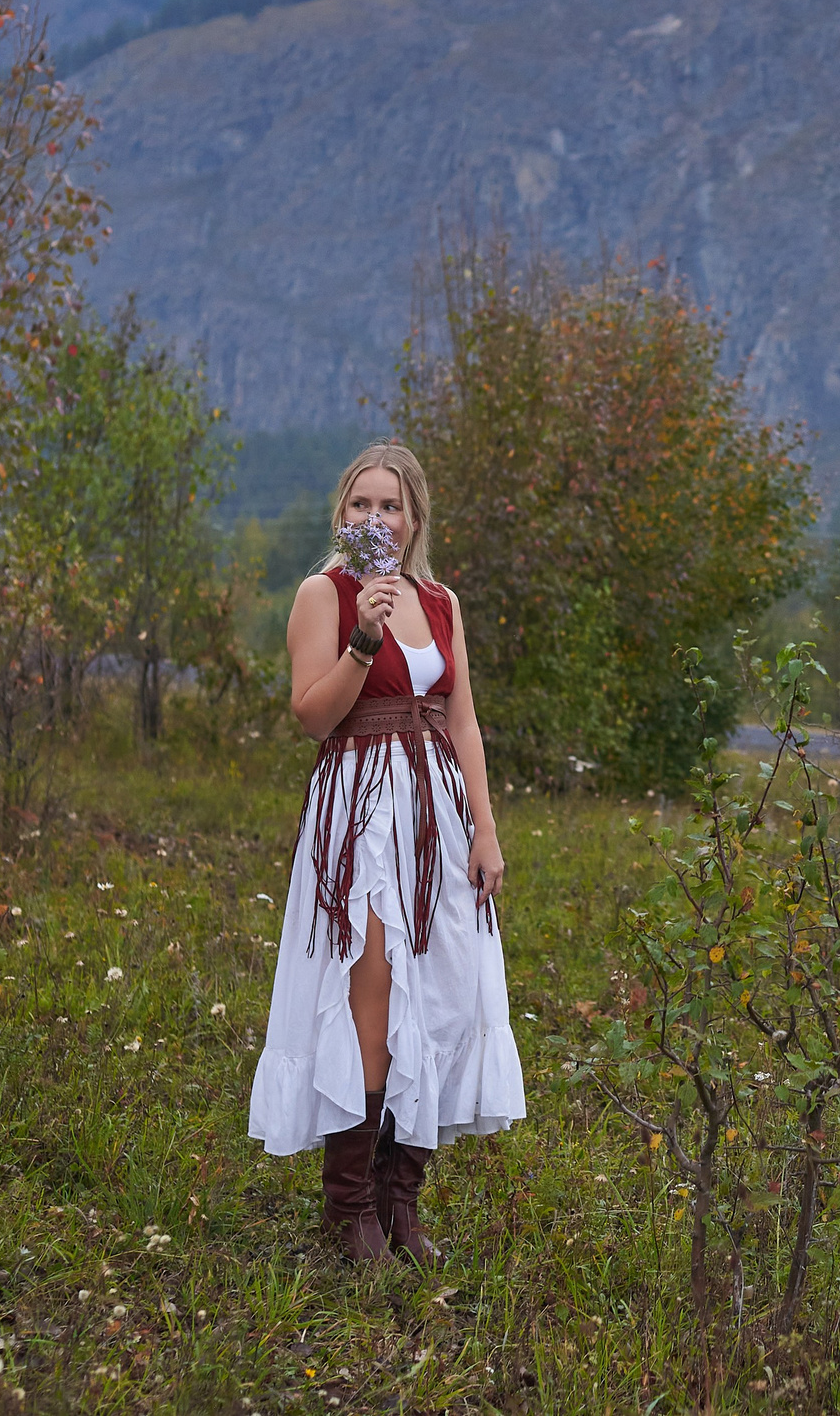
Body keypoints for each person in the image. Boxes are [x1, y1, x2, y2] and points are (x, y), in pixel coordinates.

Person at [247, 441, 525, 1263]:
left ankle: (403, 1203)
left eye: (391, 505)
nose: (376, 517)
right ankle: (349, 1210)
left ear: (413, 520)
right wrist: (363, 638)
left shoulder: (440, 600)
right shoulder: (323, 594)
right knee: (370, 1000)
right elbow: (312, 715)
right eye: (361, 504)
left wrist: (485, 824)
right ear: (342, 514)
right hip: (362, 813)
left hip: (436, 813)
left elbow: (462, 718)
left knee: (440, 995)